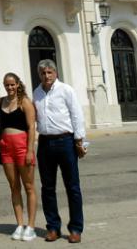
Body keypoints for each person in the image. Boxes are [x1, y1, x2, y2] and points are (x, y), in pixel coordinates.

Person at [33, 59, 87, 244]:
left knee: (72, 187)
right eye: (43, 73)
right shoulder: (37, 93)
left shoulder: (66, 90)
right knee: (47, 188)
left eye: (49, 72)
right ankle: (53, 227)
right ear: (39, 74)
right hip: (45, 143)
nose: (46, 76)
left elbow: (76, 115)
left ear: (55, 73)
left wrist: (80, 141)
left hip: (66, 141)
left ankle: (75, 229)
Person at [0, 73, 38, 241]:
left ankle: (31, 226)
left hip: (23, 146)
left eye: (12, 85)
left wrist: (30, 150)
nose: (10, 88)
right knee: (14, 187)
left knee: (29, 186)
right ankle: (20, 224)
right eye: (7, 85)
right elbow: (1, 125)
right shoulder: (1, 101)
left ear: (17, 85)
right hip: (6, 147)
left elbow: (31, 127)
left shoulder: (25, 102)